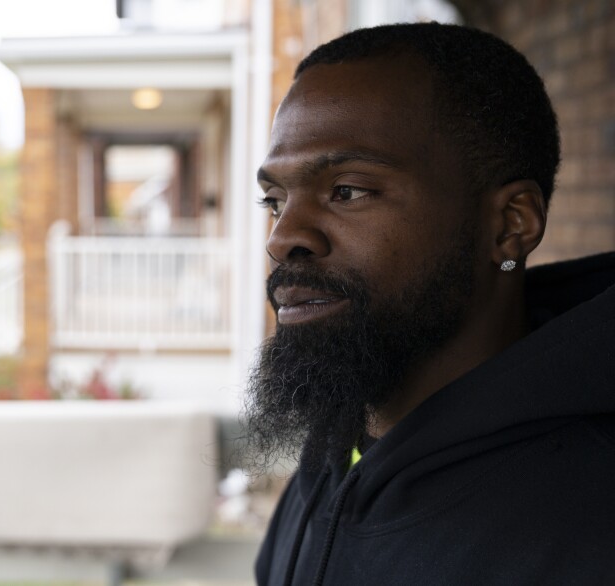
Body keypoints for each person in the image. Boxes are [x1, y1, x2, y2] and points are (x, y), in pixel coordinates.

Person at [245, 22, 615, 585]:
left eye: (348, 191)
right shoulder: (331, 455)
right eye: (275, 201)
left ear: (510, 226)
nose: (282, 237)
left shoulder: (589, 525)